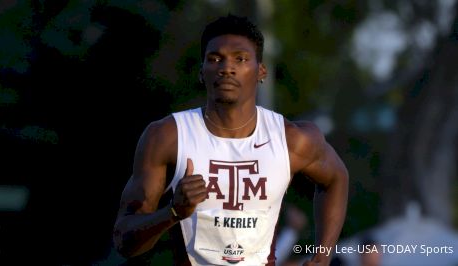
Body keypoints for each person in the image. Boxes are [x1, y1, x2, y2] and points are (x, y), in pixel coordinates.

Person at [113, 14, 349, 266]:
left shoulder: (291, 139)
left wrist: (323, 256)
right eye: (215, 59)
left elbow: (336, 178)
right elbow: (124, 243)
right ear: (202, 71)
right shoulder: (168, 136)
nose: (227, 68)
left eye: (241, 58)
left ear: (261, 71)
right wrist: (172, 212)